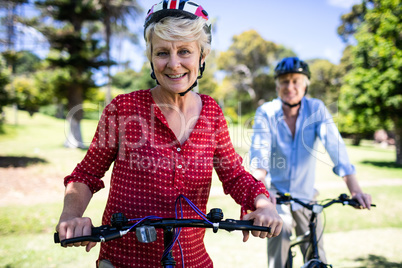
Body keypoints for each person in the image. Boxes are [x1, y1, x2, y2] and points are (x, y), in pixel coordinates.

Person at [55, 1, 282, 267]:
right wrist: (71, 215)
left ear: (202, 55)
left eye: (184, 51)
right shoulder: (123, 108)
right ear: (151, 57)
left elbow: (233, 175)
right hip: (125, 259)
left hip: (193, 259)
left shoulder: (212, 112)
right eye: (162, 52)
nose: (174, 64)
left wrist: (263, 203)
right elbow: (87, 173)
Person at [249, 57, 372, 268]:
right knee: (281, 232)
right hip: (277, 197)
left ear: (306, 84)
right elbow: (260, 158)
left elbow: (337, 149)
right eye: (285, 81)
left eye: (296, 81)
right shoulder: (266, 112)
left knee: (317, 255)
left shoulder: (316, 109)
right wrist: (259, 193)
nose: (290, 87)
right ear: (277, 85)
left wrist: (355, 190)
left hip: (307, 196)